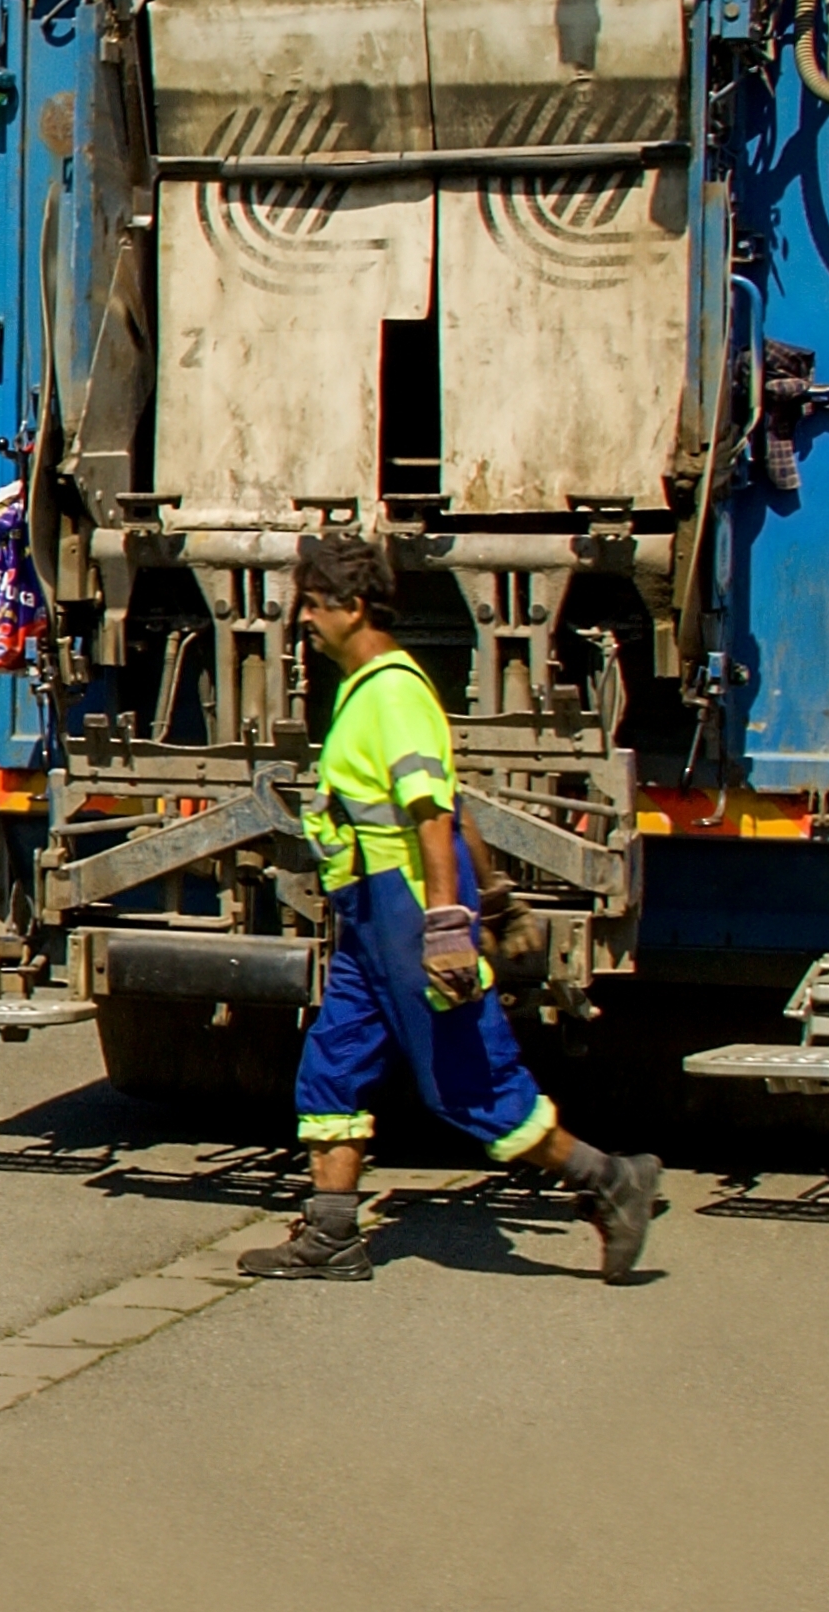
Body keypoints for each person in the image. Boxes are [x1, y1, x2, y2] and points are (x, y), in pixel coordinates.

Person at [239, 534, 660, 1284]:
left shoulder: (394, 693)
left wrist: (448, 924)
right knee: (333, 1066)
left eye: (312, 602)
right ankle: (331, 1236)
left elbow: (432, 816)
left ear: (353, 606)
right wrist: (493, 897)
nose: (301, 617)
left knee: (469, 1085)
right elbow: (453, 804)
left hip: (407, 915)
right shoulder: (363, 690)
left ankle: (609, 1180)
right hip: (371, 917)